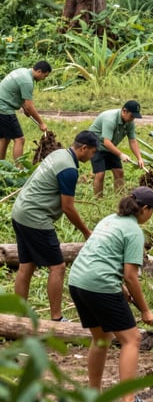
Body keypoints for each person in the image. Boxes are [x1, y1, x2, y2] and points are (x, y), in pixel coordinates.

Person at [68, 186, 153, 402]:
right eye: (152, 211)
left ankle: (93, 395)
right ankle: (128, 401)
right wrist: (145, 310)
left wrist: (119, 287)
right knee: (132, 338)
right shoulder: (133, 232)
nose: (151, 216)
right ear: (145, 209)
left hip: (78, 280)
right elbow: (131, 275)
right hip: (98, 284)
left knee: (101, 338)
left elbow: (103, 257)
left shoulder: (109, 220)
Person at [12, 130, 98, 322]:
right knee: (58, 267)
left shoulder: (59, 154)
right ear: (84, 148)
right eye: (93, 152)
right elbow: (68, 207)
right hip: (35, 217)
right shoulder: (68, 169)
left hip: (20, 212)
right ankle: (57, 318)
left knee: (26, 266)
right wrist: (86, 232)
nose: (93, 157)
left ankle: (18, 318)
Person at [88, 100, 146, 196]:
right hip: (95, 145)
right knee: (100, 174)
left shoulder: (129, 122)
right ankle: (98, 199)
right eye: (132, 116)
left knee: (119, 172)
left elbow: (132, 141)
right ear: (124, 111)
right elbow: (106, 142)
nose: (133, 119)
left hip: (110, 146)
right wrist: (121, 154)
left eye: (134, 117)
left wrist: (139, 158)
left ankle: (119, 198)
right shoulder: (110, 119)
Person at [0, 60, 52, 161]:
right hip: (4, 108)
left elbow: (17, 93)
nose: (43, 79)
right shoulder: (27, 81)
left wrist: (24, 108)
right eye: (44, 76)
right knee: (20, 139)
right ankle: (19, 170)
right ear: (39, 71)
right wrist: (41, 123)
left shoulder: (23, 71)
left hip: (1, 106)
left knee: (4, 138)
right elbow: (30, 106)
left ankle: (1, 167)